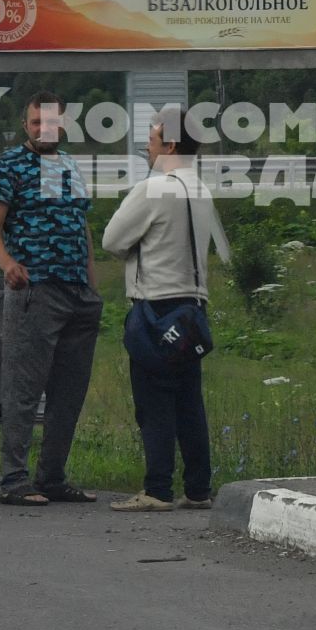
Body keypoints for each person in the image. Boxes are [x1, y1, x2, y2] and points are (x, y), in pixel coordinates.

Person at [101, 106, 229, 511]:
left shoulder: (153, 188)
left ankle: (157, 488)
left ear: (171, 143)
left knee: (153, 401)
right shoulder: (202, 191)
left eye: (153, 138)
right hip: (193, 308)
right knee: (189, 401)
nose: (147, 145)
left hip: (155, 306)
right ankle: (197, 488)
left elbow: (112, 240)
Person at [0, 91, 102, 507]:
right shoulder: (9, 165)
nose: (43, 130)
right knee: (23, 388)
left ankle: (52, 477)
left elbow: (80, 223)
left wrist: (92, 284)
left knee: (69, 391)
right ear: (25, 125)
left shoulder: (69, 165)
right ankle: (14, 479)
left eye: (50, 123)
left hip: (77, 292)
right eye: (36, 123)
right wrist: (7, 264)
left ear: (63, 123)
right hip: (34, 288)